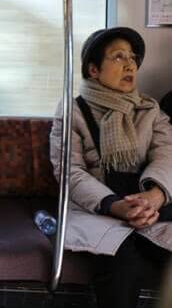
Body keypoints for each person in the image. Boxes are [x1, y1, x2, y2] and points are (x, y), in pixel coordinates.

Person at [50, 27, 172, 308]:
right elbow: (70, 171)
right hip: (99, 208)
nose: (130, 64)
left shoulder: (150, 110)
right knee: (121, 261)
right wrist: (115, 205)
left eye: (132, 57)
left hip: (151, 205)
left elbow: (166, 155)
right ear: (93, 70)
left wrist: (154, 197)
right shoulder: (73, 112)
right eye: (118, 57)